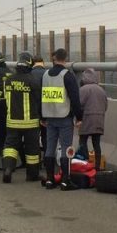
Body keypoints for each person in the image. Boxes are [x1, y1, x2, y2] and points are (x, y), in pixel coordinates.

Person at [40, 48, 83, 190]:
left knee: (50, 148)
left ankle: (50, 179)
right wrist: (79, 117)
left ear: (53, 58)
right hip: (64, 116)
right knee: (66, 148)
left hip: (49, 117)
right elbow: (75, 98)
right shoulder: (67, 75)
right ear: (65, 58)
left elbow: (42, 97)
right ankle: (65, 180)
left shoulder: (45, 75)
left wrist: (42, 116)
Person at [0, 52, 41, 183]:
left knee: (10, 147)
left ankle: (7, 169)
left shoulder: (8, 80)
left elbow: (5, 99)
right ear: (29, 65)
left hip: (12, 121)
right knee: (32, 150)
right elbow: (39, 101)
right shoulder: (33, 81)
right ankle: (32, 175)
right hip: (30, 122)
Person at [77, 68, 108, 170]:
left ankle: (85, 163)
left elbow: (78, 105)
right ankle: (97, 167)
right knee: (96, 143)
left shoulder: (83, 89)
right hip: (99, 120)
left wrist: (77, 118)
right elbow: (105, 106)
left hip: (86, 119)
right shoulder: (101, 90)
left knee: (83, 142)